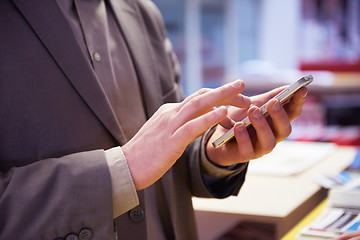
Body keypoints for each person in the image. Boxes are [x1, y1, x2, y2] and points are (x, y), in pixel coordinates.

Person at [0, 0, 308, 239]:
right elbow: (139, 161)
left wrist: (213, 152)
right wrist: (121, 170)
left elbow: (169, 153)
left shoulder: (140, 12)